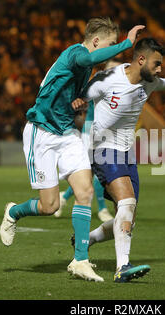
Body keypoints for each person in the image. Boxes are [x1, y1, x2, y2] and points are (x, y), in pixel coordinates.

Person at [0, 17, 145, 282]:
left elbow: (72, 107)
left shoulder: (83, 73)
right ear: (97, 41)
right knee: (49, 205)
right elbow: (89, 59)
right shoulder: (75, 54)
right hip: (41, 133)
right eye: (108, 45)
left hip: (67, 134)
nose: (107, 52)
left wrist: (79, 109)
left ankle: (80, 259)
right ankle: (14, 212)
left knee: (85, 191)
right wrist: (126, 44)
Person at [74, 37, 165, 282]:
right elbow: (78, 96)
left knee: (128, 219)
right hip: (103, 148)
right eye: (156, 64)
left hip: (126, 153)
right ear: (140, 59)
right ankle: (122, 268)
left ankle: (86, 239)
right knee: (127, 202)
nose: (159, 69)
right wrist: (73, 105)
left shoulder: (150, 83)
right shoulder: (108, 79)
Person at [54, 60, 122, 222]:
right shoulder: (98, 85)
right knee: (97, 171)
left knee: (90, 173)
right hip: (90, 132)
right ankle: (102, 210)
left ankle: (64, 197)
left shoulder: (119, 89)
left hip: (106, 133)